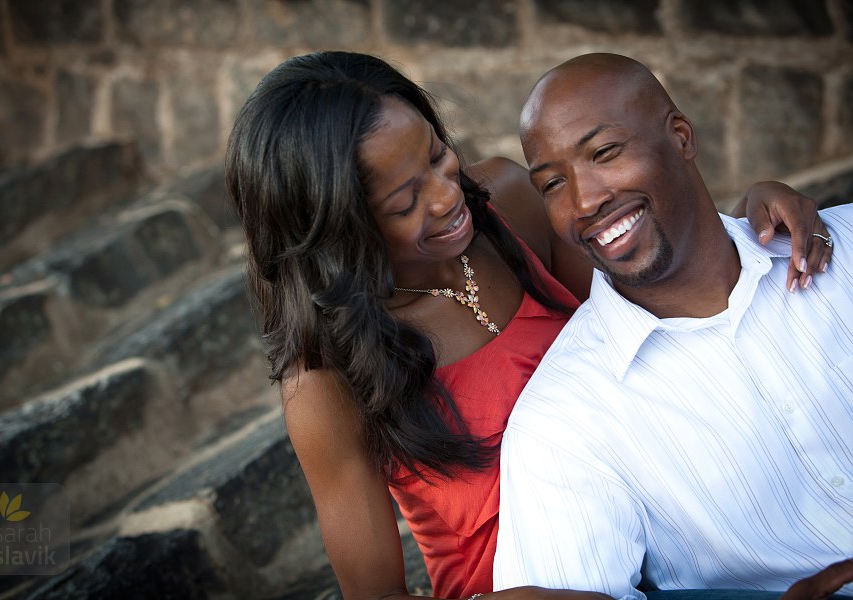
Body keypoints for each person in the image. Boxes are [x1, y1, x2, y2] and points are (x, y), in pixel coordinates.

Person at [224, 50, 833, 600]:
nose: (446, 197)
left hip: (668, 543)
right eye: (405, 203)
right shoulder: (325, 378)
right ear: (337, 228)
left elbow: (644, 289)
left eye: (439, 156)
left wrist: (746, 227)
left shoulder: (506, 202)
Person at [494, 52, 853, 599]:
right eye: (551, 184)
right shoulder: (563, 424)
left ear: (682, 138)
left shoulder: (842, 250)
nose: (584, 200)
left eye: (604, 153)